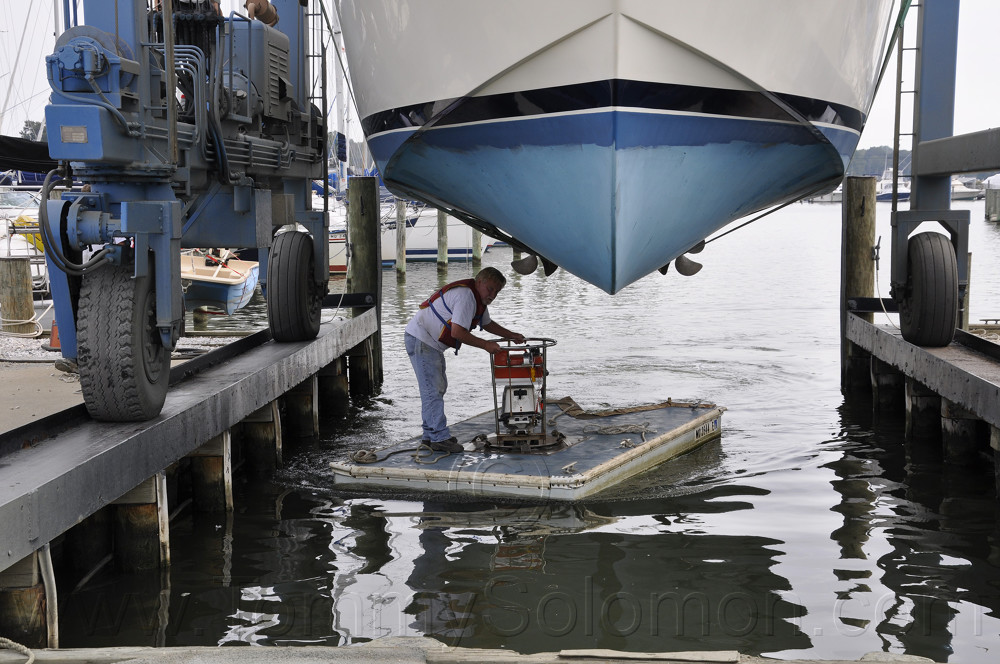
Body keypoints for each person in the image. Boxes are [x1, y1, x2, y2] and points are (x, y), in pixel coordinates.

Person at [404, 267, 525, 452]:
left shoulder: (478, 300)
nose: (492, 295)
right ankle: (438, 437)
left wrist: (511, 335)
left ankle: (430, 435)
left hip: (427, 341)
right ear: (479, 282)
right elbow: (457, 332)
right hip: (422, 339)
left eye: (497, 292)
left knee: (435, 387)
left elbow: (487, 323)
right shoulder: (467, 296)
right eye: (490, 289)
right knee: (433, 389)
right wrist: (486, 345)